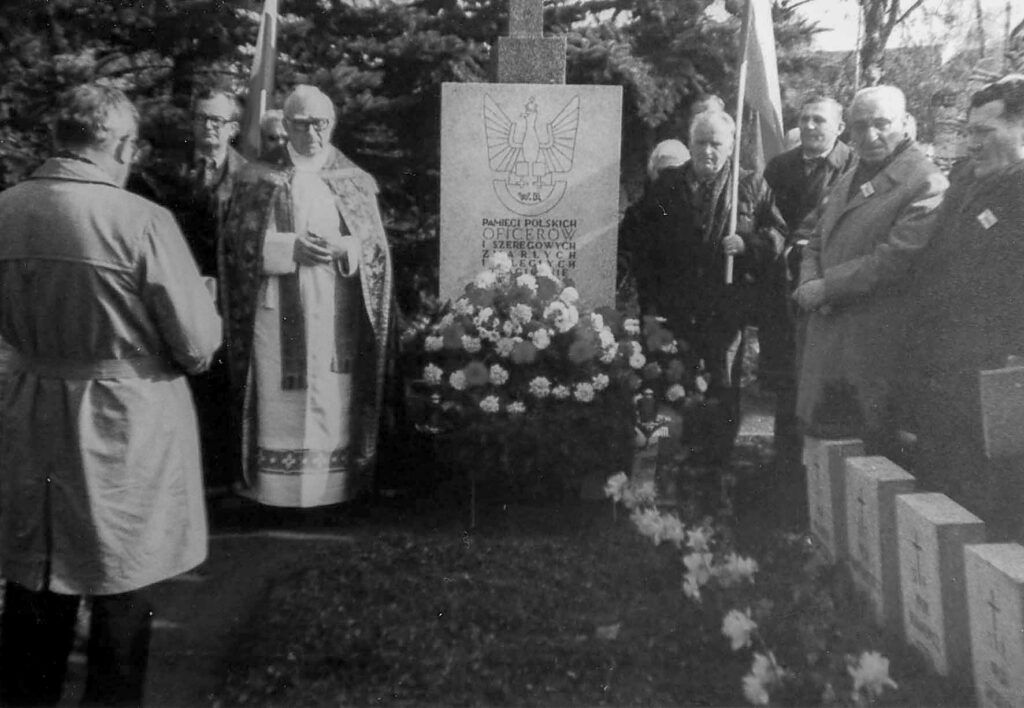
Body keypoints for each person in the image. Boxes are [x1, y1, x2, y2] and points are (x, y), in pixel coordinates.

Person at [0, 83, 221, 706]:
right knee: (121, 580)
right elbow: (198, 344)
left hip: (28, 411)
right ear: (121, 144)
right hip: (122, 423)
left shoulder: (6, 208)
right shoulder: (141, 221)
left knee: (35, 578)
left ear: (57, 139)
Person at [221, 84, 394, 508]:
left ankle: (332, 492)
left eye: (320, 124)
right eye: (301, 124)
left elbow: (376, 251)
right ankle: (274, 492)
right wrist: (285, 249)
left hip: (336, 307)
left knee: (331, 397)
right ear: (286, 125)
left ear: (332, 125)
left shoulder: (353, 180)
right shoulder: (257, 178)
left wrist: (345, 249)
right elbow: (235, 246)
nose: (311, 133)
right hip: (277, 309)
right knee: (282, 401)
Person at [794, 85, 948, 457]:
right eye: (859, 126)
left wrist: (828, 288)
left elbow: (896, 258)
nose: (870, 135)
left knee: (870, 470)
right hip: (829, 346)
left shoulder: (926, 182)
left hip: (874, 354)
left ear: (907, 124)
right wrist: (809, 281)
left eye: (882, 124)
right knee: (826, 462)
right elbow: (816, 237)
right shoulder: (850, 176)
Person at [630, 110, 785, 462]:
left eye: (716, 143)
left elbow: (777, 235)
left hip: (725, 308)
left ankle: (716, 466)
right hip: (674, 308)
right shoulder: (668, 186)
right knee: (670, 383)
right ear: (690, 143)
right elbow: (640, 238)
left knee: (723, 386)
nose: (708, 151)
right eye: (701, 142)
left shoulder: (751, 185)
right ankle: (668, 465)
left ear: (731, 145)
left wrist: (749, 244)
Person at [908, 76, 1024, 521]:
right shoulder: (966, 185)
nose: (971, 144)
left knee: (997, 510)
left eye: (984, 132)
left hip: (1001, 376)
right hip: (950, 370)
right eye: (969, 131)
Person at [761, 95, 855, 463]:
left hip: (824, 287)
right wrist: (778, 245)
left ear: (839, 127)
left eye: (820, 120)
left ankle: (818, 468)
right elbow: (764, 215)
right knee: (787, 378)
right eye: (805, 119)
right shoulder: (780, 167)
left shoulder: (853, 165)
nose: (811, 127)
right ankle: (783, 464)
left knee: (822, 382)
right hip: (782, 282)